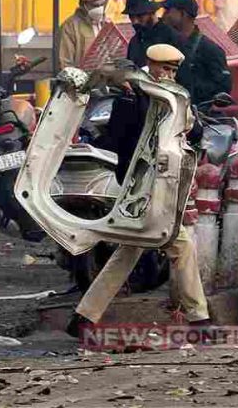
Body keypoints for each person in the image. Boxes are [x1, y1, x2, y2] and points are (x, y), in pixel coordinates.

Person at [67, 44, 210, 337]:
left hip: (159, 187)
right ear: (151, 66)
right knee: (179, 245)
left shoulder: (173, 96)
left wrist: (187, 112)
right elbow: (121, 140)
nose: (168, 75)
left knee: (129, 251)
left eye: (172, 70)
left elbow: (195, 133)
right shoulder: (130, 99)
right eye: (164, 69)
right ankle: (200, 322)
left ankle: (83, 319)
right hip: (140, 188)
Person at [162, 0, 232, 106]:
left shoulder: (210, 50)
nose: (164, 15)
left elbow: (223, 88)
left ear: (182, 14)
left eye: (168, 11)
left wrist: (190, 87)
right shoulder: (166, 43)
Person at [123, 0, 181, 68]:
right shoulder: (135, 42)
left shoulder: (171, 37)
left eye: (140, 16)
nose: (134, 21)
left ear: (152, 12)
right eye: (131, 16)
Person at [58, 0, 108, 69]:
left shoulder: (106, 23)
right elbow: (64, 63)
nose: (99, 9)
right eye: (95, 5)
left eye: (102, 5)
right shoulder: (70, 27)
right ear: (83, 4)